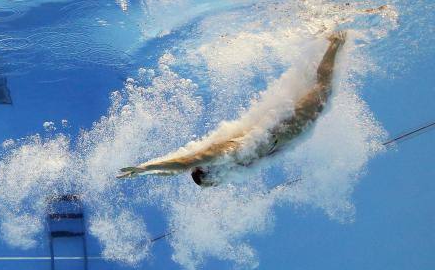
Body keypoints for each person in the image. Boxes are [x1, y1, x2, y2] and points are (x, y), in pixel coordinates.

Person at [118, 32, 346, 185]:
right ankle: (323, 40)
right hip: (286, 132)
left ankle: (336, 39)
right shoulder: (233, 164)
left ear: (208, 171)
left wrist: (145, 168)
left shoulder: (218, 156)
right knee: (317, 89)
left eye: (211, 184)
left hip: (286, 128)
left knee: (322, 90)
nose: (216, 185)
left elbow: (182, 162)